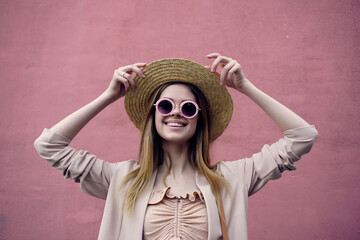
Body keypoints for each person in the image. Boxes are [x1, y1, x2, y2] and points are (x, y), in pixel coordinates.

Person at [34, 53, 318, 240]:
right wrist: (109, 96)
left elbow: (303, 136)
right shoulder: (122, 179)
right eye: (166, 105)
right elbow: (50, 145)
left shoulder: (234, 178)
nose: (176, 113)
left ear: (200, 118)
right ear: (153, 115)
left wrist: (245, 87)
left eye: (189, 107)